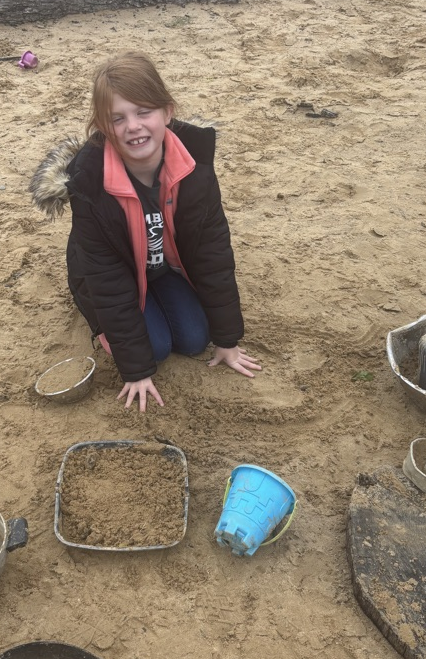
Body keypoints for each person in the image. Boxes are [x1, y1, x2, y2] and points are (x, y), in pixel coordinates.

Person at [29, 51, 260, 412]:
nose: (132, 126)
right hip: (112, 274)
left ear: (167, 112)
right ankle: (99, 322)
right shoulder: (90, 185)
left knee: (195, 339)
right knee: (154, 350)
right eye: (117, 119)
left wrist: (228, 340)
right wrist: (135, 372)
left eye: (143, 112)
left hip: (162, 268)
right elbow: (106, 279)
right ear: (104, 128)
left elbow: (213, 254)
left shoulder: (195, 169)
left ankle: (165, 304)